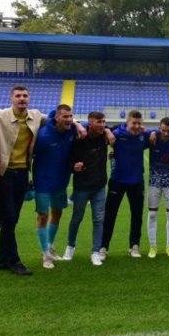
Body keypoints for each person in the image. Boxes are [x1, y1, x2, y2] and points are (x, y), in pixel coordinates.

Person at [0, 86, 48, 275]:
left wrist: (79, 125)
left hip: (23, 174)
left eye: (25, 95)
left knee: (12, 219)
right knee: (8, 218)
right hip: (4, 174)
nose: (22, 99)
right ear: (11, 98)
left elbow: (60, 118)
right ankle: (14, 261)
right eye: (18, 96)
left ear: (29, 98)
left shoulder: (36, 116)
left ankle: (1, 260)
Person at [99, 110, 150, 262]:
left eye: (139, 123)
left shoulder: (143, 136)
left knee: (137, 215)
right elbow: (97, 126)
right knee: (110, 215)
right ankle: (103, 247)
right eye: (134, 123)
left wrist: (151, 132)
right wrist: (107, 130)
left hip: (136, 181)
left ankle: (134, 246)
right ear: (127, 122)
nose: (136, 126)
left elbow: (158, 133)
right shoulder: (117, 132)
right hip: (117, 180)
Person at [32, 104, 78, 269]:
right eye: (65, 117)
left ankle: (50, 246)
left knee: (57, 214)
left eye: (70, 117)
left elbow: (93, 125)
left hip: (61, 182)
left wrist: (79, 124)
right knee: (43, 217)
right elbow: (30, 155)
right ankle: (45, 254)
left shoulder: (72, 130)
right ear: (57, 117)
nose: (69, 120)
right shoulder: (43, 136)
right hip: (43, 183)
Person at [67, 111, 113, 263]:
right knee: (77, 218)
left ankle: (95, 252)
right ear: (90, 123)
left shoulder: (103, 135)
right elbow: (69, 161)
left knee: (99, 220)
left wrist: (107, 130)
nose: (102, 125)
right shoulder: (80, 138)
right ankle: (70, 246)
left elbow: (123, 126)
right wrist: (75, 166)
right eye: (98, 122)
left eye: (103, 122)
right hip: (82, 187)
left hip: (99, 187)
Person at [147, 117, 169, 258]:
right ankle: (153, 246)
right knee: (152, 214)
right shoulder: (153, 138)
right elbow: (142, 131)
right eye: (163, 130)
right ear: (159, 128)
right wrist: (153, 131)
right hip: (154, 182)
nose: (166, 133)